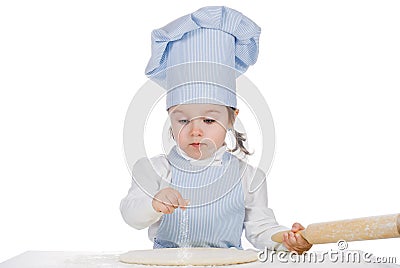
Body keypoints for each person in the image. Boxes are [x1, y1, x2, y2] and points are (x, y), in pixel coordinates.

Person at [120, 6, 312, 254]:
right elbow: (130, 213)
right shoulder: (156, 169)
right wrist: (153, 203)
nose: (196, 131)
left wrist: (285, 240)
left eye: (209, 121)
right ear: (170, 118)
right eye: (183, 121)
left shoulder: (249, 177)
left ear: (232, 119)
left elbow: (261, 228)